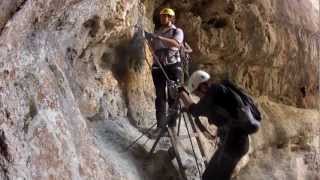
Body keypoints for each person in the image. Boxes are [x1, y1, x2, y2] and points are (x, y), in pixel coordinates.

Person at [179, 70, 251, 180]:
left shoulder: (211, 96)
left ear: (202, 87)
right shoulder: (223, 91)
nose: (199, 96)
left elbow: (194, 110)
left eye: (197, 93)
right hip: (240, 143)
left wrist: (182, 93)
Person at [148, 8, 184, 131]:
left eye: (166, 16)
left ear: (171, 18)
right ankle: (160, 126)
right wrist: (150, 40)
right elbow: (154, 47)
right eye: (162, 16)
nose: (163, 18)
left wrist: (159, 38)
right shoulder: (157, 31)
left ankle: (172, 127)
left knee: (173, 96)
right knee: (160, 97)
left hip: (173, 66)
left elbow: (176, 44)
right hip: (158, 66)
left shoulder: (177, 31)